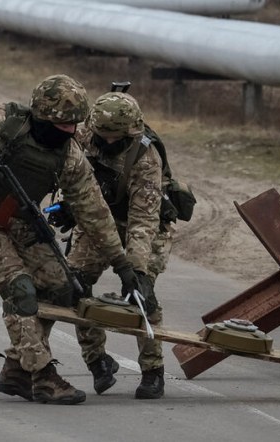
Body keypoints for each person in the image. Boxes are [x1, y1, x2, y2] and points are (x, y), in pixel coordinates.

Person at [0, 74, 140, 405]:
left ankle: (16, 369)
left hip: (17, 220)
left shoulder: (69, 157)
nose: (70, 132)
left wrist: (122, 264)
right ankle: (43, 376)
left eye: (74, 125)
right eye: (62, 124)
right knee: (20, 289)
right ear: (42, 116)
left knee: (59, 284)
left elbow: (93, 212)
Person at [55, 91, 175, 399]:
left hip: (142, 227)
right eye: (102, 137)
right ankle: (98, 361)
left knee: (141, 294)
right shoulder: (82, 137)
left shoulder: (146, 158)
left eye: (115, 138)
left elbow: (144, 221)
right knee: (75, 285)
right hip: (97, 221)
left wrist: (135, 269)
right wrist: (69, 207)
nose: (107, 143)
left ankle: (152, 371)